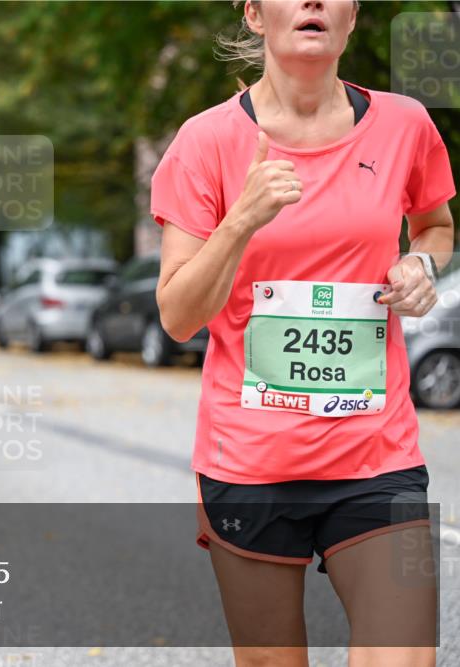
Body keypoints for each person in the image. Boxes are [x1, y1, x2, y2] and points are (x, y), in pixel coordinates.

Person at [151, 2, 454, 664]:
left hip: (378, 457)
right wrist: (241, 219)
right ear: (256, 15)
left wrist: (422, 262)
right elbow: (177, 315)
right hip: (252, 462)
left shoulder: (406, 126)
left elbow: (435, 223)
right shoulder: (205, 143)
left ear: (352, 19)